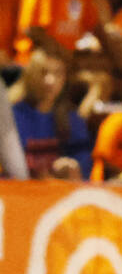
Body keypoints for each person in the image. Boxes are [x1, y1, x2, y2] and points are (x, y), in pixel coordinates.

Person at [8, 39, 93, 180]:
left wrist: (72, 166)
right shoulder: (12, 116)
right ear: (30, 76)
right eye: (43, 72)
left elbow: (83, 163)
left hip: (58, 195)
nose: (50, 81)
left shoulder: (72, 119)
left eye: (58, 73)